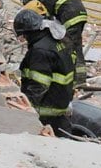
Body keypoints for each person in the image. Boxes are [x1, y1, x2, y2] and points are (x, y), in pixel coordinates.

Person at [13, 9, 75, 138]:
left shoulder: (40, 51)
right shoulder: (56, 41)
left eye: (23, 35)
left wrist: (26, 107)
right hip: (61, 104)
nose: (23, 39)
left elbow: (39, 84)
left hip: (47, 112)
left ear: (29, 32)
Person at [37, 0, 88, 86]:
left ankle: (76, 79)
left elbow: (49, 18)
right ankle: (80, 76)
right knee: (77, 45)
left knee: (70, 48)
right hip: (82, 16)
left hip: (70, 19)